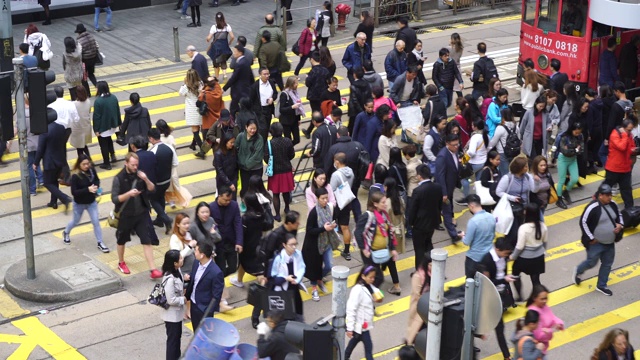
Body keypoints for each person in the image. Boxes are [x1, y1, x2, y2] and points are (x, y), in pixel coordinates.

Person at [111, 153, 160, 278]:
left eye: (136, 165)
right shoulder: (119, 178)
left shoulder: (140, 175)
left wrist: (146, 179)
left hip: (141, 213)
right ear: (126, 163)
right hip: (125, 215)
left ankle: (153, 269)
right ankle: (121, 262)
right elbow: (115, 199)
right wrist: (128, 194)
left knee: (146, 240)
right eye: (132, 165)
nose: (135, 167)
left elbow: (152, 189)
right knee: (122, 240)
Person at [574, 183, 623, 296]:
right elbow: (583, 222)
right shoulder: (592, 207)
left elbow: (619, 216)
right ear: (600, 195)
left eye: (610, 195)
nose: (610, 197)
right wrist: (591, 238)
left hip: (610, 242)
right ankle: (578, 271)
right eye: (607, 195)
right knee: (591, 262)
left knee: (607, 264)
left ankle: (601, 285)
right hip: (596, 243)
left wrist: (620, 225)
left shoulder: (613, 204)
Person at [477, 236, 516, 360]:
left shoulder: (503, 258)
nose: (506, 256)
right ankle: (506, 356)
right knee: (498, 327)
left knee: (498, 326)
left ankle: (506, 355)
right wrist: (503, 280)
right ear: (497, 249)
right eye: (505, 253)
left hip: (501, 294)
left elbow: (503, 272)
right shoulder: (487, 260)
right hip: (490, 296)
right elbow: (487, 282)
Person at [355, 191, 401, 294]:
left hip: (384, 249)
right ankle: (367, 295)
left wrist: (393, 249)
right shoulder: (368, 216)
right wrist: (363, 249)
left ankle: (368, 293)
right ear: (375, 204)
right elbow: (358, 232)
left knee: (386, 269)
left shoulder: (384, 215)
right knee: (376, 277)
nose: (386, 204)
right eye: (383, 202)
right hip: (369, 253)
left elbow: (389, 233)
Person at [61, 154, 108, 252]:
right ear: (79, 165)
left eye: (88, 163)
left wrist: (96, 187)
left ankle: (100, 242)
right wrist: (87, 189)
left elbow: (97, 180)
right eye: (84, 164)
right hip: (79, 204)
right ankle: (66, 232)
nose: (87, 166)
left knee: (96, 222)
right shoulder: (75, 176)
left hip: (91, 202)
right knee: (75, 221)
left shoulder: (92, 171)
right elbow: (74, 192)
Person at [302, 187, 337, 301]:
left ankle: (319, 279)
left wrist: (332, 226)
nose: (326, 200)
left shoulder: (328, 208)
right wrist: (323, 228)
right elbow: (309, 230)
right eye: (323, 198)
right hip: (314, 244)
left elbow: (332, 220)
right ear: (317, 199)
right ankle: (314, 288)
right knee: (314, 267)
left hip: (326, 242)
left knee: (328, 265)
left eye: (327, 198)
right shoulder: (314, 212)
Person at [511, 203, 547, 301]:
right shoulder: (543, 226)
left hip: (524, 258)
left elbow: (520, 246)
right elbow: (544, 242)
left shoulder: (524, 228)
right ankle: (536, 298)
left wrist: (513, 256)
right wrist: (543, 252)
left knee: (515, 274)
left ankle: (519, 297)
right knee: (535, 280)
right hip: (538, 257)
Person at [345, 265, 383, 360]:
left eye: (374, 277)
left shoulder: (369, 286)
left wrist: (379, 298)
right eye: (370, 277)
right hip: (360, 326)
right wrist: (349, 328)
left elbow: (378, 294)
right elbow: (351, 309)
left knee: (354, 343)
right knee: (368, 348)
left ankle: (344, 357)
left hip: (363, 326)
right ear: (363, 276)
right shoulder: (357, 290)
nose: (372, 279)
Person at [185, 242, 225, 330]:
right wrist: (188, 276)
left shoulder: (216, 272)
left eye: (196, 251)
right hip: (194, 303)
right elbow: (195, 276)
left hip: (204, 309)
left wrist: (208, 311)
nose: (194, 253)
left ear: (202, 255)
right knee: (196, 331)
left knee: (206, 334)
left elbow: (216, 295)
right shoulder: (196, 262)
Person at [496, 157, 535, 246]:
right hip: (510, 208)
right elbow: (499, 192)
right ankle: (508, 248)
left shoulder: (527, 177)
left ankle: (515, 247)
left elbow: (533, 189)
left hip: (523, 208)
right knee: (513, 231)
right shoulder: (508, 178)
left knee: (521, 229)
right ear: (519, 168)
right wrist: (512, 198)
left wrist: (532, 178)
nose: (527, 168)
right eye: (525, 166)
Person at [435, 134, 464, 244]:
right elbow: (440, 176)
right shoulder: (442, 156)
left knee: (448, 209)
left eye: (458, 144)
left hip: (450, 187)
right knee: (447, 211)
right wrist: (444, 193)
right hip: (445, 190)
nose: (457, 147)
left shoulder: (454, 152)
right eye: (454, 145)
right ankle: (453, 234)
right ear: (447, 144)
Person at [148, 128, 178, 234]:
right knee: (161, 197)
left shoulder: (152, 151)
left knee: (153, 199)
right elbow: (175, 163)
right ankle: (160, 220)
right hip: (167, 180)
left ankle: (166, 219)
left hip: (157, 181)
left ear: (151, 138)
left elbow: (149, 168)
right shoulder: (169, 147)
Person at [271, 233, 307, 321]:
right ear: (284, 245)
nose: (294, 247)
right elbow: (273, 276)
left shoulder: (298, 254)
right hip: (283, 287)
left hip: (294, 284)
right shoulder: (278, 259)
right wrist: (286, 278)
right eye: (291, 245)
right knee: (285, 308)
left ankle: (300, 320)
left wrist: (297, 279)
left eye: (295, 244)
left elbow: (302, 267)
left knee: (298, 302)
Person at [237, 193, 269, 287]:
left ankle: (263, 287)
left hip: (248, 246)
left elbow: (242, 232)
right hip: (258, 243)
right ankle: (239, 280)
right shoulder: (261, 214)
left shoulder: (246, 218)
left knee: (257, 270)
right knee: (244, 263)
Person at [161, 250, 187, 360]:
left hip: (177, 314)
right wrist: (183, 299)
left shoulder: (177, 270)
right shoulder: (169, 279)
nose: (182, 259)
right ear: (175, 263)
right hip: (171, 316)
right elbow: (171, 300)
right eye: (180, 258)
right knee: (173, 341)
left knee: (177, 338)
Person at [329, 152, 356, 261]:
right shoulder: (351, 172)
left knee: (329, 225)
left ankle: (329, 247)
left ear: (337, 162)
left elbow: (331, 190)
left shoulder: (336, 175)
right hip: (346, 202)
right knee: (345, 227)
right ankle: (347, 251)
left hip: (336, 203)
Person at [461, 194, 495, 278]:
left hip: (474, 258)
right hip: (488, 256)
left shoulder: (473, 221)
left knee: (470, 283)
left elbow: (466, 242)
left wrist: (462, 236)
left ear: (471, 206)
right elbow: (493, 235)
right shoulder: (491, 217)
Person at [266, 122, 295, 221]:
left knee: (276, 194)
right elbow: (292, 155)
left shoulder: (269, 143)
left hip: (275, 172)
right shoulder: (288, 141)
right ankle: (287, 208)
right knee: (286, 192)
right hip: (286, 170)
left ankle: (277, 215)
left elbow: (266, 159)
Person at [603, 119, 635, 209]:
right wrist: (625, 135)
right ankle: (597, 202)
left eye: (631, 130)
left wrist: (634, 150)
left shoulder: (628, 134)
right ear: (623, 128)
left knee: (627, 190)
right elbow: (622, 147)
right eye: (628, 130)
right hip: (614, 168)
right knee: (606, 188)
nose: (630, 132)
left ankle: (630, 210)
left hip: (625, 168)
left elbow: (630, 147)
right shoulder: (615, 135)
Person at [526, 284, 564, 354]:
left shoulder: (543, 306)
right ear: (534, 298)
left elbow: (552, 317)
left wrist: (558, 323)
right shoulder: (533, 312)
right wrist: (551, 330)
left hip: (543, 348)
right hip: (536, 350)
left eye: (546, 298)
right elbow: (539, 335)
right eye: (542, 299)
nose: (545, 301)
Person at [194, 77, 226, 159]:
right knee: (218, 136)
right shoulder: (218, 89)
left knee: (208, 138)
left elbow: (197, 104)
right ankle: (203, 152)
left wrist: (201, 93)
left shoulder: (205, 94)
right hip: (219, 118)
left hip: (208, 119)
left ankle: (203, 152)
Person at [555, 121, 585, 208]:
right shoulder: (564, 137)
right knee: (561, 180)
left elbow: (582, 149)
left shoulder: (580, 136)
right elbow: (565, 152)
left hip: (573, 160)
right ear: (572, 130)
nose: (577, 134)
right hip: (563, 160)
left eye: (579, 132)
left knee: (575, 179)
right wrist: (575, 150)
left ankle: (566, 191)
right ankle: (559, 199)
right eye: (576, 132)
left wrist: (572, 149)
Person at [460, 119, 489, 201]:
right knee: (478, 181)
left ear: (476, 127)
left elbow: (471, 152)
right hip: (483, 162)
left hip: (474, 163)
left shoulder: (475, 137)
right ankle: (478, 197)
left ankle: (466, 199)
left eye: (472, 125)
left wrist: (463, 159)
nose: (471, 127)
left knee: (464, 179)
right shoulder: (486, 136)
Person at [93, 81, 120, 170]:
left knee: (103, 145)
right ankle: (112, 155)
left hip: (103, 127)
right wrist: (119, 124)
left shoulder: (98, 101)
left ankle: (107, 163)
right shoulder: (113, 97)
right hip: (113, 125)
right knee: (109, 140)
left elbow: (96, 117)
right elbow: (118, 111)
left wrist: (96, 130)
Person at [406, 255, 432, 345]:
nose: (432, 267)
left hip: (429, 307)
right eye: (430, 265)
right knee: (415, 330)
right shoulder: (417, 276)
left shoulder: (434, 274)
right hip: (420, 308)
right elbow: (417, 295)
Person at [236, 119, 264, 199]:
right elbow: (235, 148)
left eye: (254, 128)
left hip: (256, 169)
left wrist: (246, 164)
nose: (252, 131)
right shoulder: (240, 136)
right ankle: (245, 203)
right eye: (250, 128)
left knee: (256, 189)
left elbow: (257, 156)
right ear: (246, 127)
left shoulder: (259, 139)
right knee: (245, 188)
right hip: (244, 169)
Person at [223, 45, 254, 119]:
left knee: (233, 110)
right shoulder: (246, 61)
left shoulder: (240, 64)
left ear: (240, 53)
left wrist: (224, 89)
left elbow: (233, 78)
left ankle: (233, 125)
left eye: (235, 52)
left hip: (238, 92)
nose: (233, 53)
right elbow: (251, 75)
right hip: (245, 90)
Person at [179, 69, 203, 152]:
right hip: (199, 109)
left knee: (195, 129)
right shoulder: (201, 84)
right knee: (197, 126)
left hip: (191, 110)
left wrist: (184, 83)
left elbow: (180, 93)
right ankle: (193, 144)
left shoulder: (186, 87)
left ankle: (202, 148)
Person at [488, 107, 516, 176]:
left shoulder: (500, 128)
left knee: (505, 173)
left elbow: (493, 142)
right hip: (514, 152)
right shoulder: (515, 127)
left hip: (502, 152)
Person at [206, 12, 235, 80]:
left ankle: (217, 77)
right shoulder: (227, 26)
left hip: (216, 47)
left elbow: (209, 38)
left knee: (215, 62)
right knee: (223, 59)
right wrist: (230, 42)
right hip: (224, 46)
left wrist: (207, 40)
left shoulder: (214, 27)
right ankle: (224, 74)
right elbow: (232, 36)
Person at [169, 213, 197, 281]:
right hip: (182, 270)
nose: (187, 226)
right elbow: (177, 256)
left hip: (192, 266)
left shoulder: (188, 234)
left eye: (188, 223)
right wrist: (189, 246)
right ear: (178, 224)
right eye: (184, 224)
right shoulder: (174, 238)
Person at [278, 77, 304, 145]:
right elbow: (282, 109)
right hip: (286, 122)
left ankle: (288, 149)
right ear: (291, 84)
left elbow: (298, 108)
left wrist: (298, 119)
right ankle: (288, 151)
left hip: (294, 120)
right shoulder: (284, 94)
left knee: (297, 139)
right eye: (295, 83)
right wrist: (292, 107)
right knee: (288, 140)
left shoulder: (295, 93)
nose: (297, 85)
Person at [69, 86, 92, 158]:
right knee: (83, 145)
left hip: (77, 128)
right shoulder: (88, 102)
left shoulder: (74, 104)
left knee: (79, 147)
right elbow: (89, 111)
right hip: (86, 126)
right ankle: (88, 159)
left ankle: (84, 161)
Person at [347, 68, 372, 135]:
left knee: (352, 127)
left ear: (354, 75)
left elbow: (354, 100)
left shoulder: (353, 86)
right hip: (365, 108)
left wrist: (360, 110)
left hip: (355, 111)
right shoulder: (367, 84)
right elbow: (369, 96)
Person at [449, 33, 464, 99]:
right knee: (458, 89)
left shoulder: (449, 48)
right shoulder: (460, 48)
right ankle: (461, 101)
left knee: (449, 87)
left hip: (450, 68)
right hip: (457, 68)